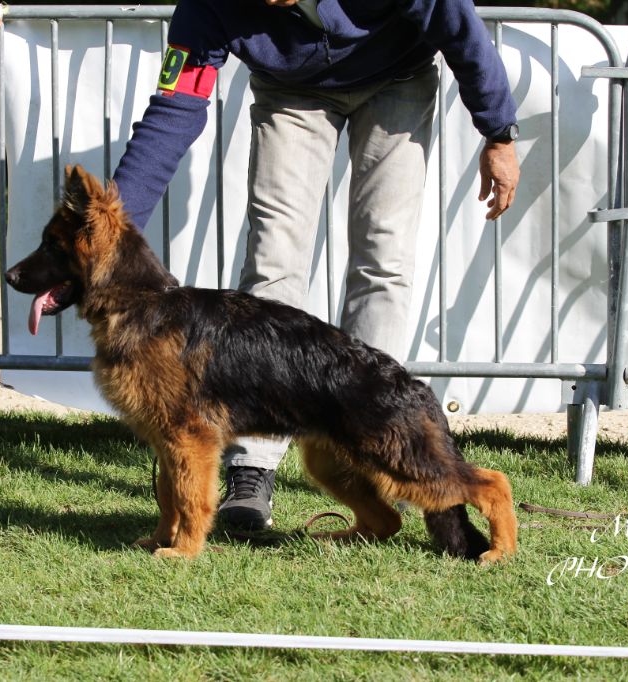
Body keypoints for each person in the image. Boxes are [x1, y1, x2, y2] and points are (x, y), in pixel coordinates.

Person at [111, 0, 521, 531]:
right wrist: (112, 226)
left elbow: (458, 25)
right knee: (272, 263)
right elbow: (175, 105)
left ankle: (381, 457)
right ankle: (251, 469)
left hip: (396, 73)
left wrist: (499, 131)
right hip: (290, 91)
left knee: (384, 259)